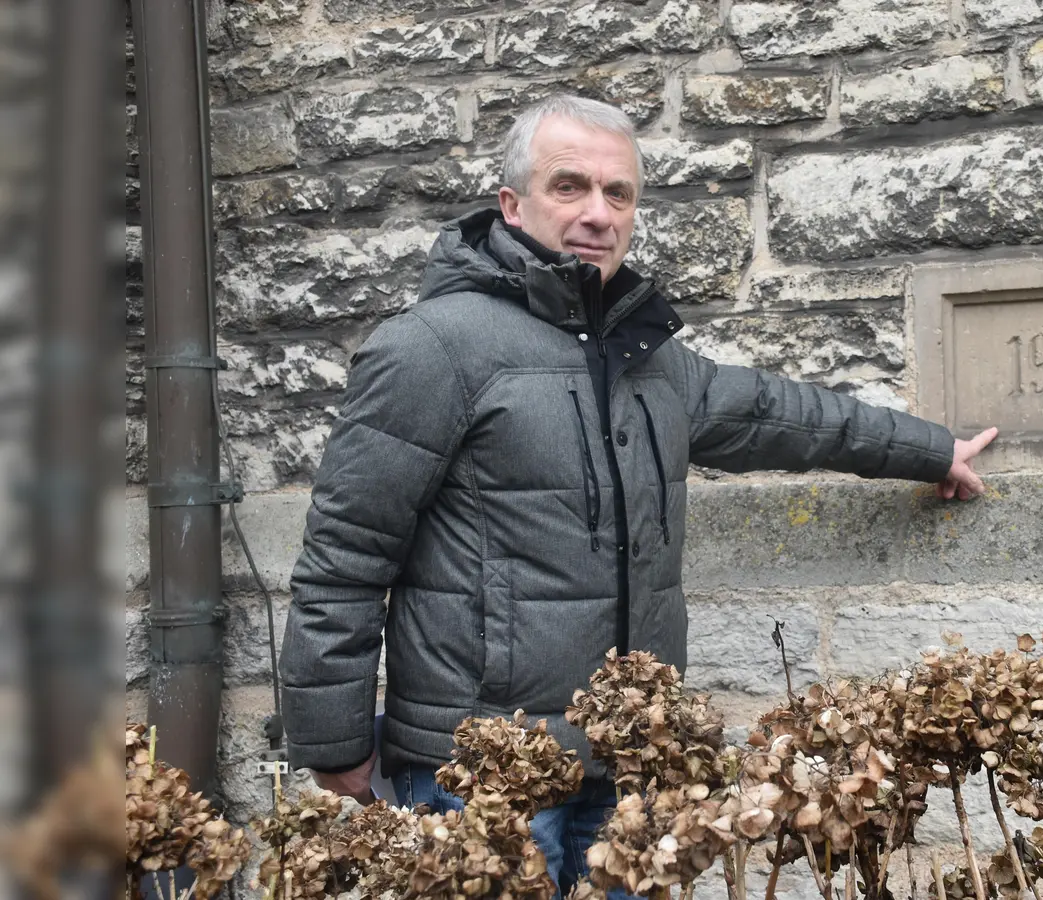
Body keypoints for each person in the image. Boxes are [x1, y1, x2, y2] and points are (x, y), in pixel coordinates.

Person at [278, 94, 998, 895]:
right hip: (476, 771)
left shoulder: (650, 359)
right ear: (512, 204)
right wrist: (334, 741)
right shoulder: (432, 348)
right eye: (570, 186)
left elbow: (776, 415)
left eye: (617, 193)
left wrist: (932, 450)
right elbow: (346, 554)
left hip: (628, 761)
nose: (597, 213)